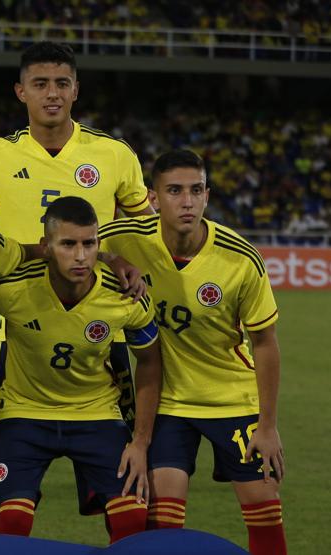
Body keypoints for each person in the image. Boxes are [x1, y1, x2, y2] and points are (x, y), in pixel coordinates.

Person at [99, 150, 286, 555]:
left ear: (207, 195)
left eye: (196, 190)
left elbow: (265, 342)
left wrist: (268, 426)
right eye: (174, 191)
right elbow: (73, 245)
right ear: (153, 198)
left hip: (232, 400)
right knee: (162, 527)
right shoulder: (124, 239)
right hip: (167, 405)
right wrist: (110, 258)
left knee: (265, 516)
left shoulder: (239, 258)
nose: (187, 201)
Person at [0, 196, 162, 543]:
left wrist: (140, 442)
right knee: (13, 522)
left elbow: (151, 362)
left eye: (89, 244)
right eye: (68, 244)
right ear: (46, 247)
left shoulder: (125, 295)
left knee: (132, 521)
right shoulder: (11, 288)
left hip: (96, 414)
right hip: (25, 413)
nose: (80, 256)